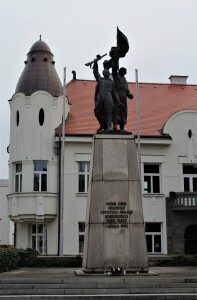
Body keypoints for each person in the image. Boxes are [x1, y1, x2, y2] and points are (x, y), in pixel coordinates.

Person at [93, 60, 120, 131]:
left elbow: (114, 92)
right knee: (96, 112)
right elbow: (95, 72)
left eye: (107, 72)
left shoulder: (111, 82)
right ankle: (102, 124)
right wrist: (96, 62)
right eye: (105, 72)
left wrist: (118, 101)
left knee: (109, 112)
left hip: (108, 97)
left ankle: (108, 127)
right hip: (101, 97)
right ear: (103, 73)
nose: (106, 72)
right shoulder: (100, 80)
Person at [112, 48, 133, 130]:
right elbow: (114, 67)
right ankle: (115, 125)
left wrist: (129, 95)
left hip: (123, 97)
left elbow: (126, 90)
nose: (124, 73)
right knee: (116, 110)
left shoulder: (125, 80)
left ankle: (122, 126)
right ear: (120, 71)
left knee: (123, 111)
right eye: (123, 71)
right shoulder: (116, 77)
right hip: (117, 96)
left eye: (125, 72)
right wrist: (116, 56)